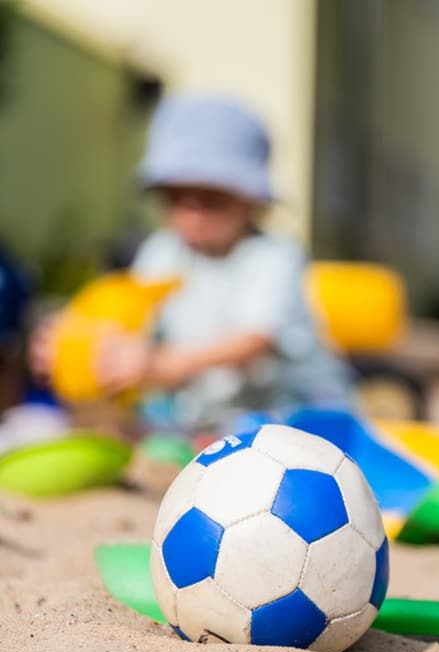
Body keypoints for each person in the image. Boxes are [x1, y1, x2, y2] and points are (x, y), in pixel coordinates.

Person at [33, 95, 353, 432]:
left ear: (252, 202)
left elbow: (252, 341)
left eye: (211, 199)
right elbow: (131, 316)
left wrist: (157, 365)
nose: (191, 213)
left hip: (298, 411)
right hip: (215, 416)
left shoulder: (274, 256)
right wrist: (80, 340)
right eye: (175, 198)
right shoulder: (164, 251)